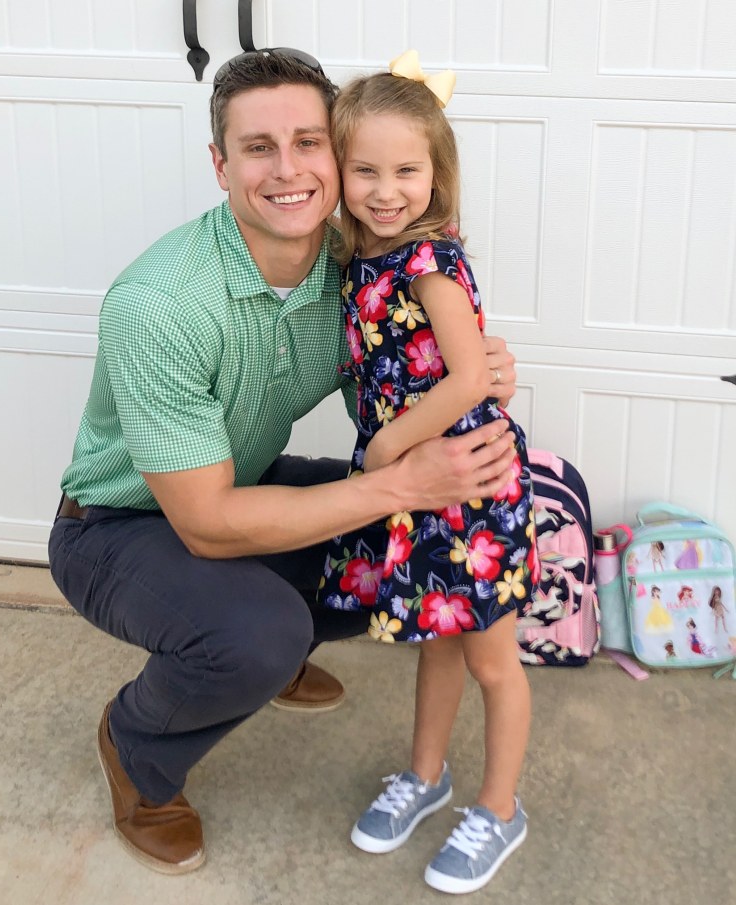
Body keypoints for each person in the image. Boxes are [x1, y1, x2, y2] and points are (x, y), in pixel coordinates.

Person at [47, 48, 520, 876]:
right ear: (220, 162)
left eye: (309, 142)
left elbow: (417, 362)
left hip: (242, 485)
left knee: (403, 546)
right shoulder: (159, 304)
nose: (288, 168)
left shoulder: (350, 268)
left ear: (337, 158)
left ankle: (267, 654)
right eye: (259, 147)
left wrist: (479, 367)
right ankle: (140, 748)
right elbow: (206, 522)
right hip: (117, 529)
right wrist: (399, 479)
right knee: (261, 630)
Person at [316, 52, 535, 895]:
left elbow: (472, 377)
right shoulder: (361, 266)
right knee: (436, 642)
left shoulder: (428, 262)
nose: (384, 189)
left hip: (468, 486)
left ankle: (499, 806)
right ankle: (426, 774)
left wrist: (382, 450)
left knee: (491, 661)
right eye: (363, 169)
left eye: (406, 169)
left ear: (436, 175)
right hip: (423, 487)